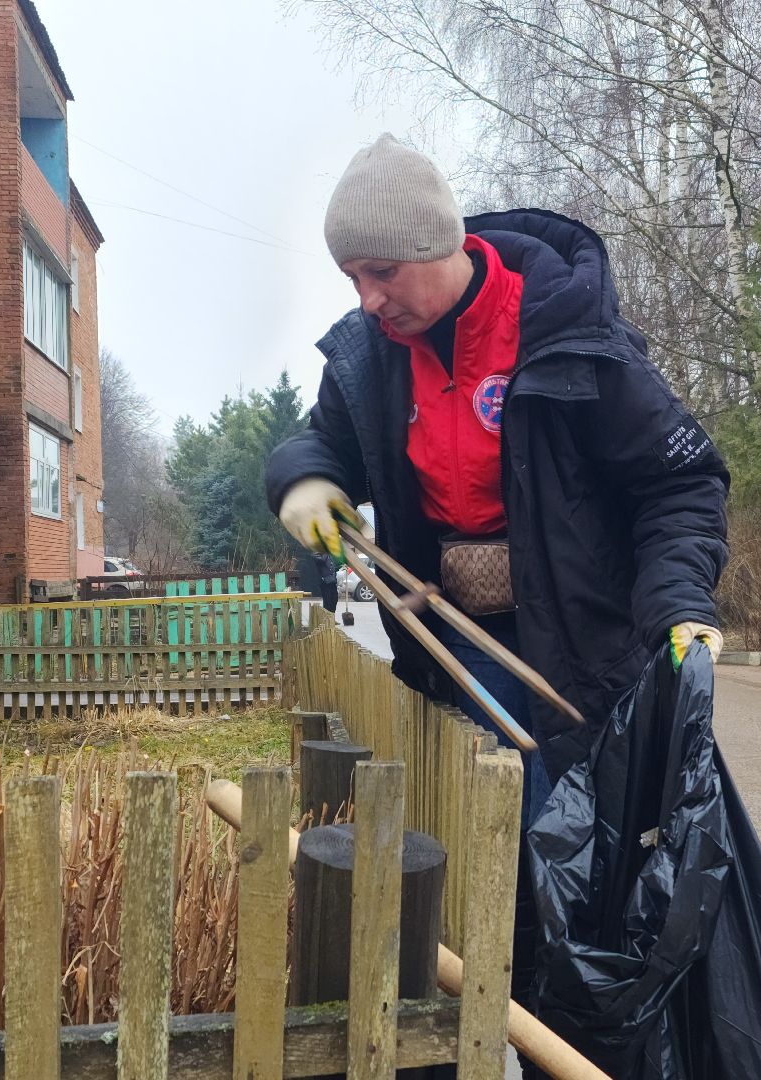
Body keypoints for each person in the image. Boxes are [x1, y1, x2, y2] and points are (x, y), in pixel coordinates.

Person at [267, 134, 727, 892]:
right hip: (463, 639)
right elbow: (322, 444)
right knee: (500, 848)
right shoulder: (372, 355)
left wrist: (680, 600)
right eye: (351, 278)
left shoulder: (567, 332)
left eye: (381, 272)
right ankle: (510, 991)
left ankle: (562, 1007)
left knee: (585, 862)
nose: (368, 299)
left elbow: (679, 482)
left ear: (437, 244)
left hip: (586, 643)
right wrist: (304, 481)